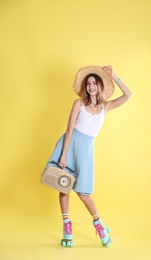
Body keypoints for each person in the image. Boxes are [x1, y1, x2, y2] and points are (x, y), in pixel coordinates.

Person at [46, 65, 132, 247]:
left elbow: (128, 95)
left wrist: (113, 76)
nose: (91, 86)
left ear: (99, 86)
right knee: (64, 185)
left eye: (94, 83)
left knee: (84, 193)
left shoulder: (106, 107)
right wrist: (63, 155)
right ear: (85, 88)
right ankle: (67, 228)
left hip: (86, 150)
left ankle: (99, 225)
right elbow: (69, 130)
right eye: (88, 84)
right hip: (70, 145)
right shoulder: (78, 104)